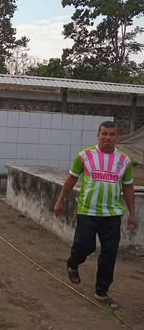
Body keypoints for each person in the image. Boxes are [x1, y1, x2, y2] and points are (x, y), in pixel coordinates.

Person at [54, 121, 135, 309]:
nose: (107, 138)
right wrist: (60, 200)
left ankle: (101, 291)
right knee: (84, 246)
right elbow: (71, 179)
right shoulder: (84, 156)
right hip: (87, 211)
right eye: (104, 134)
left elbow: (128, 187)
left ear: (117, 137)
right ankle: (73, 263)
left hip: (112, 215)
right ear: (98, 135)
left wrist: (132, 213)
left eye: (112, 134)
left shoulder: (124, 161)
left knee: (109, 254)